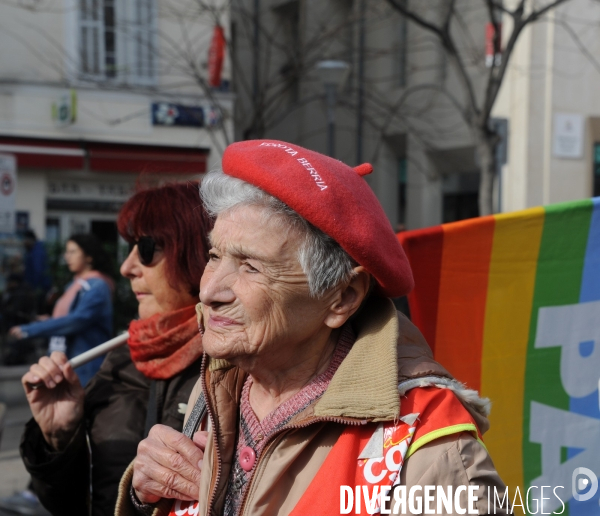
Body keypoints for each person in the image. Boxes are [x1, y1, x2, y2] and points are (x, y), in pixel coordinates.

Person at [116, 141, 508, 516]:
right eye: (215, 255)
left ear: (343, 298)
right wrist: (145, 495)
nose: (210, 290)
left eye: (251, 266)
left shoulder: (426, 447)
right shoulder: (221, 383)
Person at [16, 183, 212, 516]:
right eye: (130, 248)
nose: (127, 268)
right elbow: (77, 504)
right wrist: (60, 439)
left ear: (197, 253)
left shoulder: (238, 371)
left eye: (146, 248)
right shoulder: (123, 359)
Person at [10, 233, 114, 386]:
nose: (67, 257)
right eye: (67, 252)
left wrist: (31, 329)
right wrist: (49, 321)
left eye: (73, 252)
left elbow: (76, 320)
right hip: (69, 363)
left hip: (85, 369)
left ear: (89, 257)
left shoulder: (97, 286)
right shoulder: (75, 284)